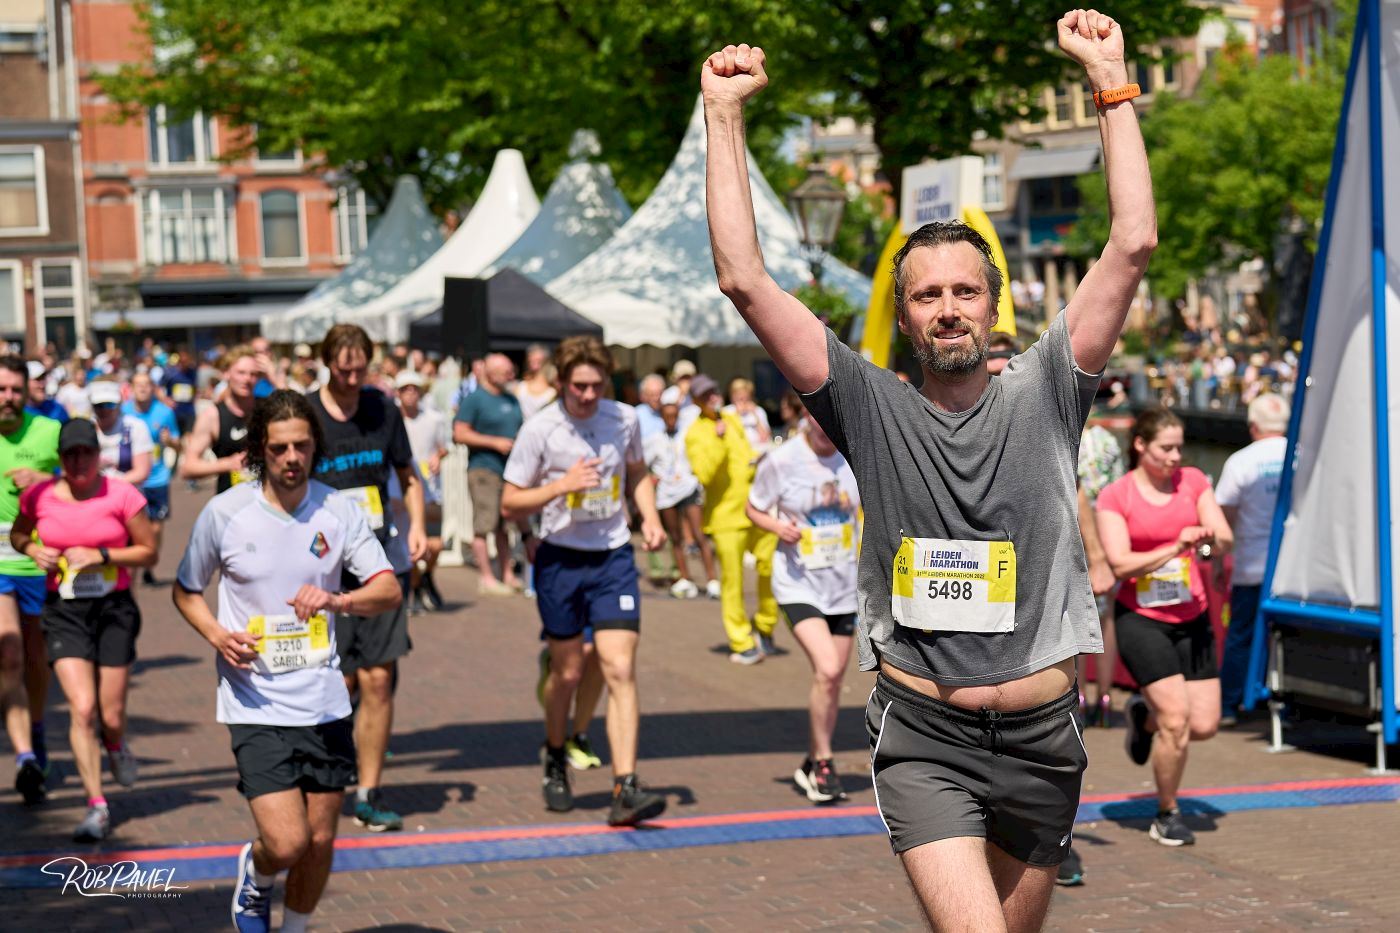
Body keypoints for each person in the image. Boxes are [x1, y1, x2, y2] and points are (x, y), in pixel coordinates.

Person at [702, 10, 1155, 926]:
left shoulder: (1050, 386)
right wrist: (723, 116)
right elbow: (745, 278)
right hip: (926, 735)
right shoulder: (867, 406)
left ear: (995, 306)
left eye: (964, 291)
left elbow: (1132, 241)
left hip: (1040, 737)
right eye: (927, 295)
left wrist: (1112, 81)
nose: (948, 308)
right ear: (904, 318)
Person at [174, 390, 401, 933]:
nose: (292, 457)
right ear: (260, 450)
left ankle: (294, 928)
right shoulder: (225, 512)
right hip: (254, 697)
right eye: (280, 448)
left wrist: (339, 599)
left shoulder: (337, 509)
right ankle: (256, 869)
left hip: (322, 700)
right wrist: (216, 634)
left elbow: (388, 588)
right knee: (288, 841)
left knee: (321, 842)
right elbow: (186, 590)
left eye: (302, 445)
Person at [501, 335, 669, 827]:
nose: (589, 395)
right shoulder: (540, 430)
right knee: (568, 672)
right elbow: (511, 502)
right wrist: (560, 486)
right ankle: (555, 753)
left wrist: (650, 517)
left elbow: (636, 470)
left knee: (619, 667)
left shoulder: (624, 418)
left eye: (597, 385)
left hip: (612, 556)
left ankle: (626, 785)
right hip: (559, 559)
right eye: (579, 387)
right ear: (560, 382)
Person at [12, 418, 156, 841]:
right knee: (83, 708)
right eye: (70, 454)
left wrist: (102, 555)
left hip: (114, 609)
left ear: (98, 455)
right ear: (60, 458)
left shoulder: (123, 494)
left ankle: (116, 743)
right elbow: (21, 536)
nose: (78, 462)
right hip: (64, 611)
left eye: (86, 453)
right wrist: (33, 548)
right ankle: (96, 804)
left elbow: (149, 552)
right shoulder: (40, 495)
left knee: (110, 716)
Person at [308, 324, 427, 833]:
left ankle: (369, 792)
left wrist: (418, 525)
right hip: (322, 564)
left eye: (360, 368)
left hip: (380, 559)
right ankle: (330, 769)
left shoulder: (383, 409)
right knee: (340, 678)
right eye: (343, 368)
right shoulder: (305, 413)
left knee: (379, 678)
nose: (352, 377)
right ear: (327, 362)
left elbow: (408, 474)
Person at [1095, 408, 1232, 846]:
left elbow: (1225, 537)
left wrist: (1210, 538)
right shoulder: (1117, 496)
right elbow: (1120, 564)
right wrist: (1175, 545)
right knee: (1177, 720)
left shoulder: (1193, 482)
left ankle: (1141, 715)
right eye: (1166, 448)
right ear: (1141, 446)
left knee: (1205, 724)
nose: (1176, 456)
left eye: (1179, 446)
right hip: (1143, 622)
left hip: (1192, 618)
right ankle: (1166, 812)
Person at [745, 399, 859, 803]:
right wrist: (778, 526)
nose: (823, 425)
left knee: (831, 682)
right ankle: (826, 762)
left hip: (844, 584)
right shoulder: (783, 460)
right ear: (803, 417)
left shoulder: (855, 453)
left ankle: (811, 762)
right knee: (827, 670)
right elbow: (754, 507)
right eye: (815, 416)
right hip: (798, 583)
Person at [0, 358, 60, 805]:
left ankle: (37, 732)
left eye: (16, 390)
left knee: (38, 660)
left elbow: (85, 481)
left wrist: (47, 478)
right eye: (1, 390)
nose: (8, 398)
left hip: (39, 559)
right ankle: (24, 757)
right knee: (10, 655)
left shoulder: (48, 431)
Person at [686, 374, 777, 663]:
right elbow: (705, 475)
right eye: (704, 394)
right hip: (726, 517)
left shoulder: (732, 418)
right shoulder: (696, 433)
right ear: (696, 401)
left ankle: (764, 623)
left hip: (754, 508)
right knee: (733, 582)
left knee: (771, 566)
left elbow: (746, 455)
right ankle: (741, 641)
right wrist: (719, 440)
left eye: (713, 390)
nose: (712, 396)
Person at [1216, 392, 1289, 723]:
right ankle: (1282, 702)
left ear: (1253, 426)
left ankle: (1231, 704)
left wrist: (1219, 561)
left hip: (1251, 563)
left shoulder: (1241, 461)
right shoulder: (1301, 454)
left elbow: (1225, 519)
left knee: (1241, 634)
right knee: (1287, 637)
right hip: (1291, 566)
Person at [454, 353, 527, 596]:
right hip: (484, 469)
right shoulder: (475, 400)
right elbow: (460, 433)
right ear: (490, 372)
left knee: (503, 526)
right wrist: (494, 442)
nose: (511, 376)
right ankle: (486, 577)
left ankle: (506, 574)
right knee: (484, 524)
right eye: (506, 372)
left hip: (510, 472)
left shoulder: (511, 399)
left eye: (511, 371)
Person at [644, 386, 717, 599]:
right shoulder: (655, 440)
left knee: (698, 534)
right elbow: (643, 465)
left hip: (689, 487)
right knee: (675, 538)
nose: (671, 420)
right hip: (667, 492)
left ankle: (712, 579)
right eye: (667, 417)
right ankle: (685, 578)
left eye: (674, 416)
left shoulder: (687, 433)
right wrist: (652, 478)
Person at [1077, 423, 1126, 727]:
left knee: (1077, 615)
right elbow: (1118, 488)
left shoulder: (1062, 431)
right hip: (1107, 529)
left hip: (1075, 529)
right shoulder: (1106, 440)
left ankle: (1079, 694)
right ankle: (1105, 697)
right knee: (1106, 616)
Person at [396, 370, 448, 613]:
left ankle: (427, 578)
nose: (410, 393)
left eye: (414, 389)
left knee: (435, 544)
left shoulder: (433, 419)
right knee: (414, 545)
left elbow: (443, 446)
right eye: (405, 389)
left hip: (432, 490)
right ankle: (415, 588)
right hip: (405, 489)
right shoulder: (395, 420)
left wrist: (438, 456)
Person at [122, 372, 180, 586]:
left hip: (157, 478)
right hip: (132, 479)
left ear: (153, 388)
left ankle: (149, 564)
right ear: (131, 388)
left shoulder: (164, 412)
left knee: (156, 527)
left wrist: (170, 441)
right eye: (139, 385)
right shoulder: (123, 411)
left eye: (147, 385)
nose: (143, 389)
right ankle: (131, 568)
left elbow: (178, 443)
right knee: (131, 527)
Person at [181, 346, 258, 492]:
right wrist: (227, 464)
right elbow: (187, 468)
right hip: (229, 504)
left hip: (265, 504)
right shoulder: (212, 415)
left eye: (253, 374)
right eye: (241, 373)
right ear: (226, 373)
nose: (247, 379)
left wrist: (275, 377)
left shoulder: (266, 409)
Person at [90, 380, 153, 490]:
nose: (105, 410)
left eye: (110, 405)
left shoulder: (135, 427)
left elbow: (141, 472)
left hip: (127, 495)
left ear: (119, 405)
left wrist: (108, 484)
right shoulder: (86, 428)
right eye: (99, 405)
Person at [722, 377, 772, 450]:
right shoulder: (726, 411)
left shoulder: (758, 410)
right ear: (732, 396)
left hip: (758, 450)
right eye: (739, 396)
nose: (743, 399)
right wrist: (736, 414)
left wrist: (755, 415)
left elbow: (765, 437)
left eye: (745, 396)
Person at [515, 344, 558, 422]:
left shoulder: (554, 387)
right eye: (531, 358)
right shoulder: (521, 386)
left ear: (546, 360)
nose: (534, 361)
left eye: (538, 359)